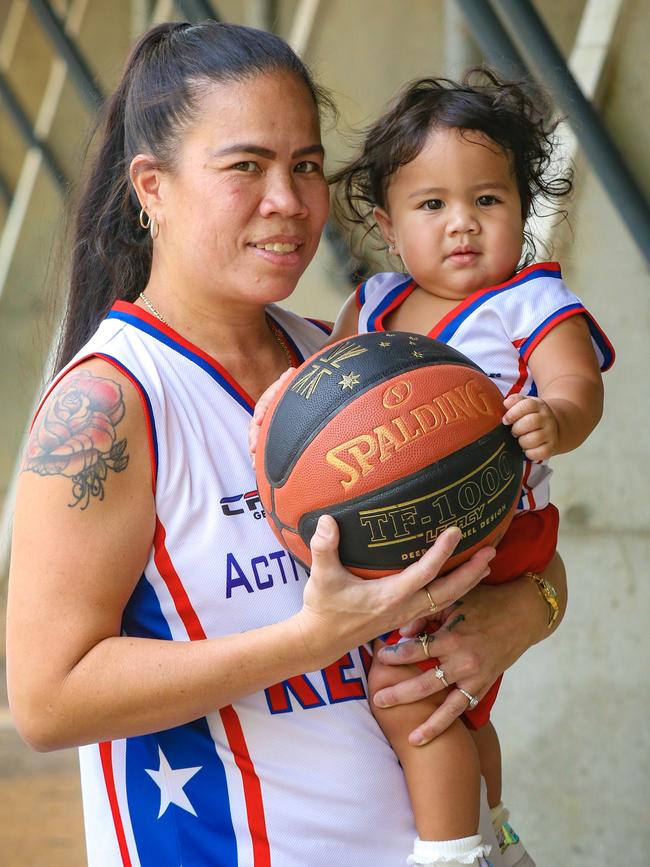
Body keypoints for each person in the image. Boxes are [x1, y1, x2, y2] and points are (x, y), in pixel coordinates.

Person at [6, 23, 567, 867]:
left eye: (305, 165)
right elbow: (48, 700)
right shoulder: (112, 402)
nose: (290, 200)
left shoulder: (353, 366)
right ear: (151, 187)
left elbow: (513, 532)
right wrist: (316, 636)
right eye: (246, 167)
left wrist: (523, 615)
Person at [324, 72, 613, 867]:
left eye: (488, 200)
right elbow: (330, 392)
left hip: (499, 532)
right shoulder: (374, 304)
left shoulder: (528, 300)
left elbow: (578, 386)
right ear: (387, 224)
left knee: (408, 694)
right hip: (416, 533)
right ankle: (499, 832)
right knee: (467, 708)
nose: (463, 224)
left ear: (522, 209)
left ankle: (453, 852)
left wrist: (554, 417)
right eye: (432, 205)